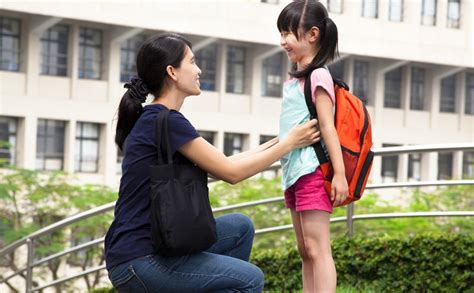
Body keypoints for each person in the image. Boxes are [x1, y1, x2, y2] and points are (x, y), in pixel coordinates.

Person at [104, 33, 321, 292]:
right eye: (192, 62)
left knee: (240, 228)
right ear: (172, 72)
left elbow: (222, 164)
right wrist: (290, 144)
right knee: (250, 279)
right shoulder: (167, 121)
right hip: (140, 261)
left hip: (147, 250)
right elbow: (231, 173)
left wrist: (282, 140)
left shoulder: (159, 120)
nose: (199, 70)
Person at [277, 1, 348, 292]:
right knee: (305, 249)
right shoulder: (295, 79)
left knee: (318, 249)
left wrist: (340, 174)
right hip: (294, 172)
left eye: (288, 33)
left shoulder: (319, 76)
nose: (282, 42)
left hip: (313, 173)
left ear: (312, 34)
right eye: (280, 33)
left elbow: (328, 126)